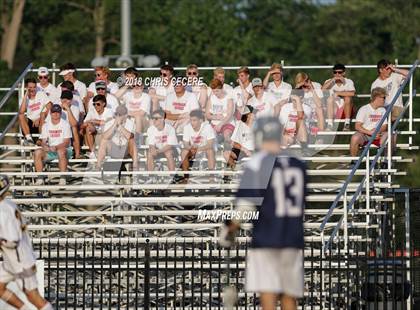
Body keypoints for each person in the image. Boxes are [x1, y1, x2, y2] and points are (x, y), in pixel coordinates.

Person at [219, 117, 307, 310]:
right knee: (288, 295)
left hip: (267, 238)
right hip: (292, 239)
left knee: (268, 293)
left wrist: (229, 229)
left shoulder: (258, 164)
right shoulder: (298, 165)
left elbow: (244, 209)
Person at [0, 175, 54, 310]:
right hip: (11, 260)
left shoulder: (3, 210)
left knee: (33, 296)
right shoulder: (8, 204)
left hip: (20, 261)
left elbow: (12, 240)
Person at [34, 104, 72, 186]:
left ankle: (62, 178)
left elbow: (66, 142)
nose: (55, 114)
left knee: (61, 151)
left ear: (61, 113)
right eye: (53, 112)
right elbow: (43, 141)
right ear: (50, 113)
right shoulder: (46, 125)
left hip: (65, 150)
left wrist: (56, 147)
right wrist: (45, 146)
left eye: (57, 112)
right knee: (37, 152)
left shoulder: (65, 124)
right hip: (51, 150)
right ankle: (40, 178)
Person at [115, 67, 151, 147]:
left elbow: (142, 113)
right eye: (127, 76)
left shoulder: (145, 94)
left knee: (137, 117)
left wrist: (127, 113)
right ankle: (117, 144)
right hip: (130, 119)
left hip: (143, 121)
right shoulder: (128, 93)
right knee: (118, 118)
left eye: (131, 76)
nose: (129, 78)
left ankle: (138, 143)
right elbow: (114, 97)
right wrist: (127, 85)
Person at [177, 109, 216, 183]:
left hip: (205, 150)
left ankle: (211, 177)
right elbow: (185, 143)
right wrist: (191, 148)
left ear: (201, 120)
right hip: (193, 150)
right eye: (191, 120)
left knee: (210, 151)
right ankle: (186, 177)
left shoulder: (207, 127)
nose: (192, 122)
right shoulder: (187, 127)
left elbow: (210, 144)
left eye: (194, 120)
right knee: (184, 152)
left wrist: (198, 149)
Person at [96, 105, 139, 172]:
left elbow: (130, 136)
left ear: (126, 115)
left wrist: (120, 126)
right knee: (104, 141)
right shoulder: (110, 122)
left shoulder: (130, 123)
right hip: (113, 148)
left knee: (132, 141)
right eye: (117, 114)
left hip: (126, 150)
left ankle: (135, 167)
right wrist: (114, 125)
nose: (118, 116)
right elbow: (104, 136)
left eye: (120, 114)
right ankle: (98, 167)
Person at [350, 87, 390, 157]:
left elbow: (384, 126)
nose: (385, 100)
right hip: (365, 134)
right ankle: (354, 161)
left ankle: (385, 161)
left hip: (378, 134)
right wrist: (370, 132)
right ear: (377, 98)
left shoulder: (382, 110)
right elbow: (357, 126)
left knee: (389, 135)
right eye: (384, 98)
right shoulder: (364, 109)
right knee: (355, 138)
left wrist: (377, 131)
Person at [223, 105, 256, 182]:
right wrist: (245, 150)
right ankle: (235, 168)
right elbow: (233, 143)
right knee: (226, 154)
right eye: (253, 113)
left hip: (255, 150)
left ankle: (228, 178)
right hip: (243, 150)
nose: (255, 115)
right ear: (248, 115)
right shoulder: (239, 125)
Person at [322, 64, 356, 131]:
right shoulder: (329, 82)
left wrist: (337, 93)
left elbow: (352, 93)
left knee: (348, 98)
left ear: (344, 73)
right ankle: (330, 125)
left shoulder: (349, 81)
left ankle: (347, 124)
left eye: (339, 72)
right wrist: (332, 80)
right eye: (335, 72)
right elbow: (322, 90)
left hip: (346, 109)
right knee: (330, 99)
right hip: (333, 110)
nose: (337, 74)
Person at [18, 78, 52, 145]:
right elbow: (21, 112)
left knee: (42, 115)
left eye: (34, 87)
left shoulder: (41, 94)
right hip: (30, 124)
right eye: (30, 87)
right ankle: (29, 139)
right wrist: (26, 95)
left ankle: (41, 138)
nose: (32, 89)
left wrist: (39, 118)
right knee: (21, 115)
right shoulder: (24, 99)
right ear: (26, 88)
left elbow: (50, 106)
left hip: (41, 122)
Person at [81, 94, 114, 159]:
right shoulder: (91, 111)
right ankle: (92, 153)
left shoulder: (109, 111)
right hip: (95, 135)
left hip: (105, 135)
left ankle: (107, 154)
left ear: (104, 104)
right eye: (94, 104)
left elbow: (108, 123)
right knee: (88, 128)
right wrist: (89, 124)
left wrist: (93, 121)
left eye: (98, 104)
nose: (96, 106)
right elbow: (83, 125)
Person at [294, 72, 325, 142]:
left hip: (315, 113)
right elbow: (294, 105)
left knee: (319, 109)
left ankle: (320, 136)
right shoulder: (298, 89)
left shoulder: (316, 86)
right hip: (305, 113)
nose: (304, 86)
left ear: (308, 80)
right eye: (302, 84)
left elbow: (320, 104)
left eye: (305, 82)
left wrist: (312, 90)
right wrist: (297, 90)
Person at [205, 78, 235, 145]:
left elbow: (229, 115)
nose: (215, 93)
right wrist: (216, 117)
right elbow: (207, 115)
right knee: (209, 136)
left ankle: (231, 150)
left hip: (227, 123)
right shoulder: (211, 98)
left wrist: (220, 125)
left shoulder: (229, 98)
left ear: (221, 89)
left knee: (227, 135)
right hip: (214, 124)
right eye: (213, 91)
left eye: (217, 91)